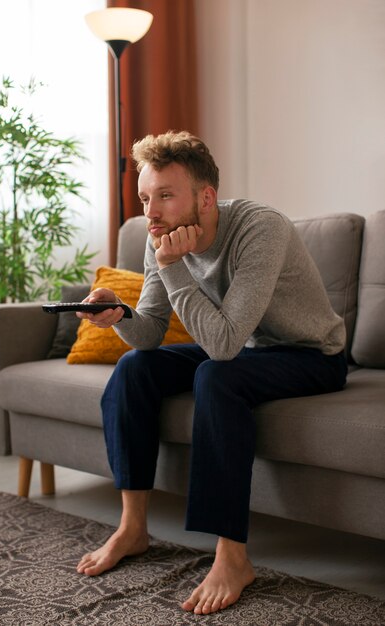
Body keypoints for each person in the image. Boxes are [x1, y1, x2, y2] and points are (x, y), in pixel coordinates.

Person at [76, 130, 347, 615]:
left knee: (215, 377)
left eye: (164, 195)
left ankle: (232, 556)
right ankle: (133, 526)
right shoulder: (160, 236)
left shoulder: (261, 229)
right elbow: (151, 334)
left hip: (311, 355)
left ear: (205, 196)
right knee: (135, 368)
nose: (151, 212)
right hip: (246, 351)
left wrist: (172, 266)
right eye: (144, 198)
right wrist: (121, 315)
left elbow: (222, 347)